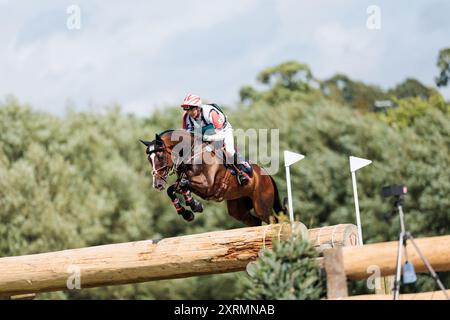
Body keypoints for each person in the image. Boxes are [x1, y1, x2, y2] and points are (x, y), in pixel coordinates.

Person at [180, 94, 251, 185]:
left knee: (229, 151)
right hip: (203, 134)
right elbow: (187, 135)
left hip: (223, 131)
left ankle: (241, 170)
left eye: (191, 109)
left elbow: (220, 135)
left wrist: (206, 138)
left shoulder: (210, 112)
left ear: (198, 108)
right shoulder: (186, 117)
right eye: (187, 109)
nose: (189, 112)